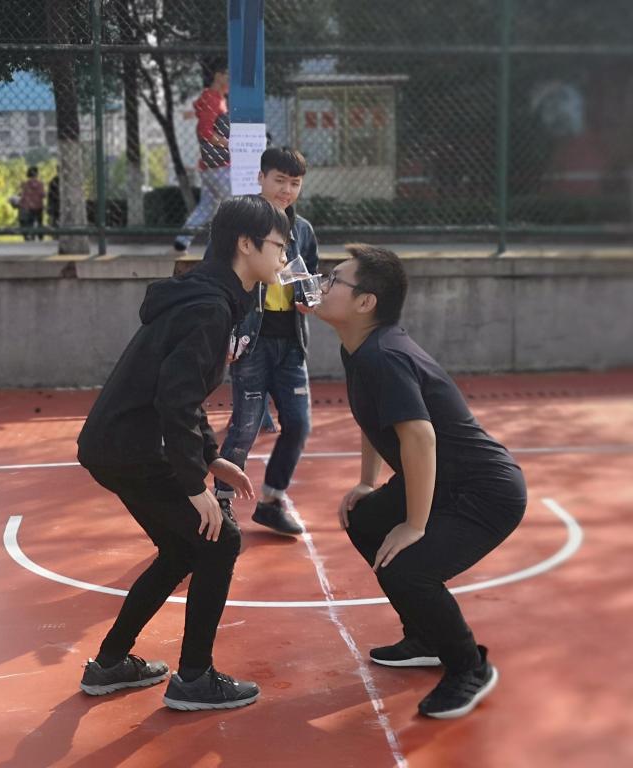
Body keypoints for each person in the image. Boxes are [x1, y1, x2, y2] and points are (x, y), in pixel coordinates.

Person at [77, 195, 290, 711]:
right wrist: (195, 485)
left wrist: (210, 457)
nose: (285, 258)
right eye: (279, 247)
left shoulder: (209, 298)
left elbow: (182, 391)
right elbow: (174, 399)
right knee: (220, 540)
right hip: (132, 447)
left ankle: (110, 664)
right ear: (246, 245)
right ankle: (194, 677)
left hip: (114, 444)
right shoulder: (209, 308)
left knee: (182, 550)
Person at [311, 244, 527, 719]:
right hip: (444, 482)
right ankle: (425, 636)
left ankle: (469, 666)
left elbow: (420, 437)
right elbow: (376, 419)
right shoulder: (360, 348)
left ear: (365, 302)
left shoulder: (383, 356)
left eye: (334, 279)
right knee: (365, 519)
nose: (321, 285)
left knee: (407, 568)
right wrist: (366, 482)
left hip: (484, 492)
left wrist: (414, 525)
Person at [211, 147, 318, 536]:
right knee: (245, 427)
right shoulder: (239, 222)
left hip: (291, 342)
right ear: (261, 178)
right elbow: (215, 274)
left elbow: (310, 278)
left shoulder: (302, 230)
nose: (286, 190)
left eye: (295, 183)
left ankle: (272, 500)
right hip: (250, 341)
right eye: (279, 180)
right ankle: (222, 502)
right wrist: (225, 330)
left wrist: (310, 298)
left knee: (299, 424)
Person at [172, 59, 230, 254]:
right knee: (235, 204)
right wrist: (231, 144)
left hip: (210, 166)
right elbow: (205, 132)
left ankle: (182, 241)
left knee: (206, 207)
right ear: (219, 76)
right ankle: (224, 246)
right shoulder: (212, 99)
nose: (232, 81)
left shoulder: (216, 99)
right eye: (229, 76)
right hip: (219, 166)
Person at [18, 166, 45, 241]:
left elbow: (22, 195)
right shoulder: (40, 184)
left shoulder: (25, 184)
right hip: (38, 206)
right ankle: (40, 236)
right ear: (37, 174)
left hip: (28, 206)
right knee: (39, 221)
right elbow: (43, 195)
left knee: (30, 221)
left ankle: (30, 236)